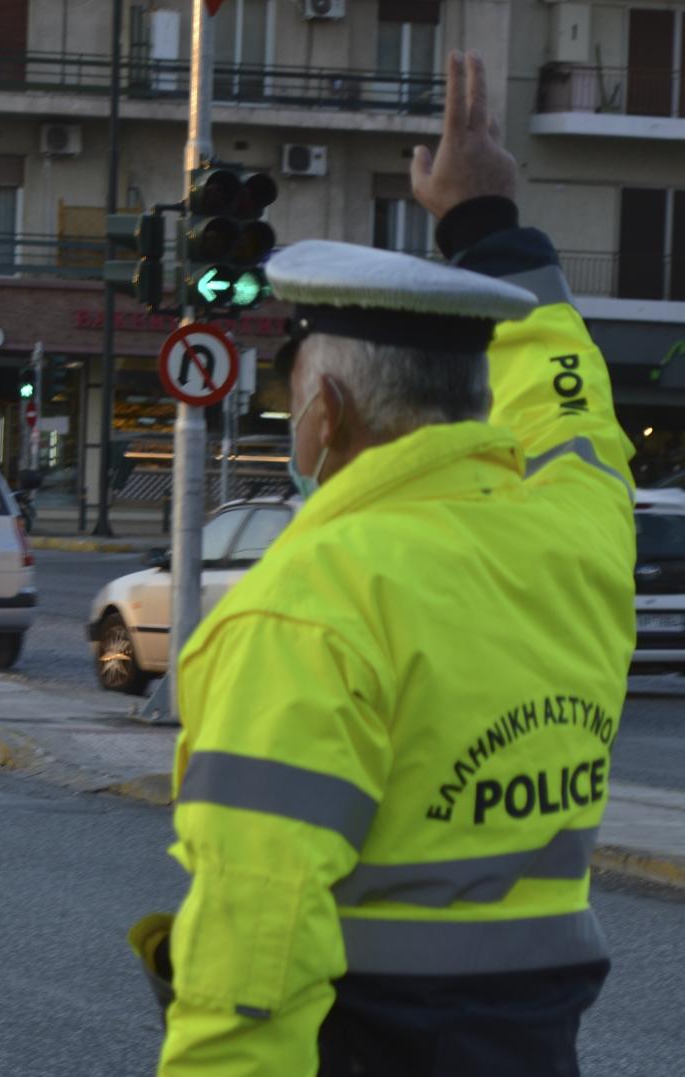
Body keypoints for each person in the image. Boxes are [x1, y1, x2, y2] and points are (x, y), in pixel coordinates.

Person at [137, 53, 635, 1076]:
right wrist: (485, 223)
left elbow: (249, 961)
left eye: (293, 408)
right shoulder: (575, 529)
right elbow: (567, 398)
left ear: (327, 413)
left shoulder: (305, 610)